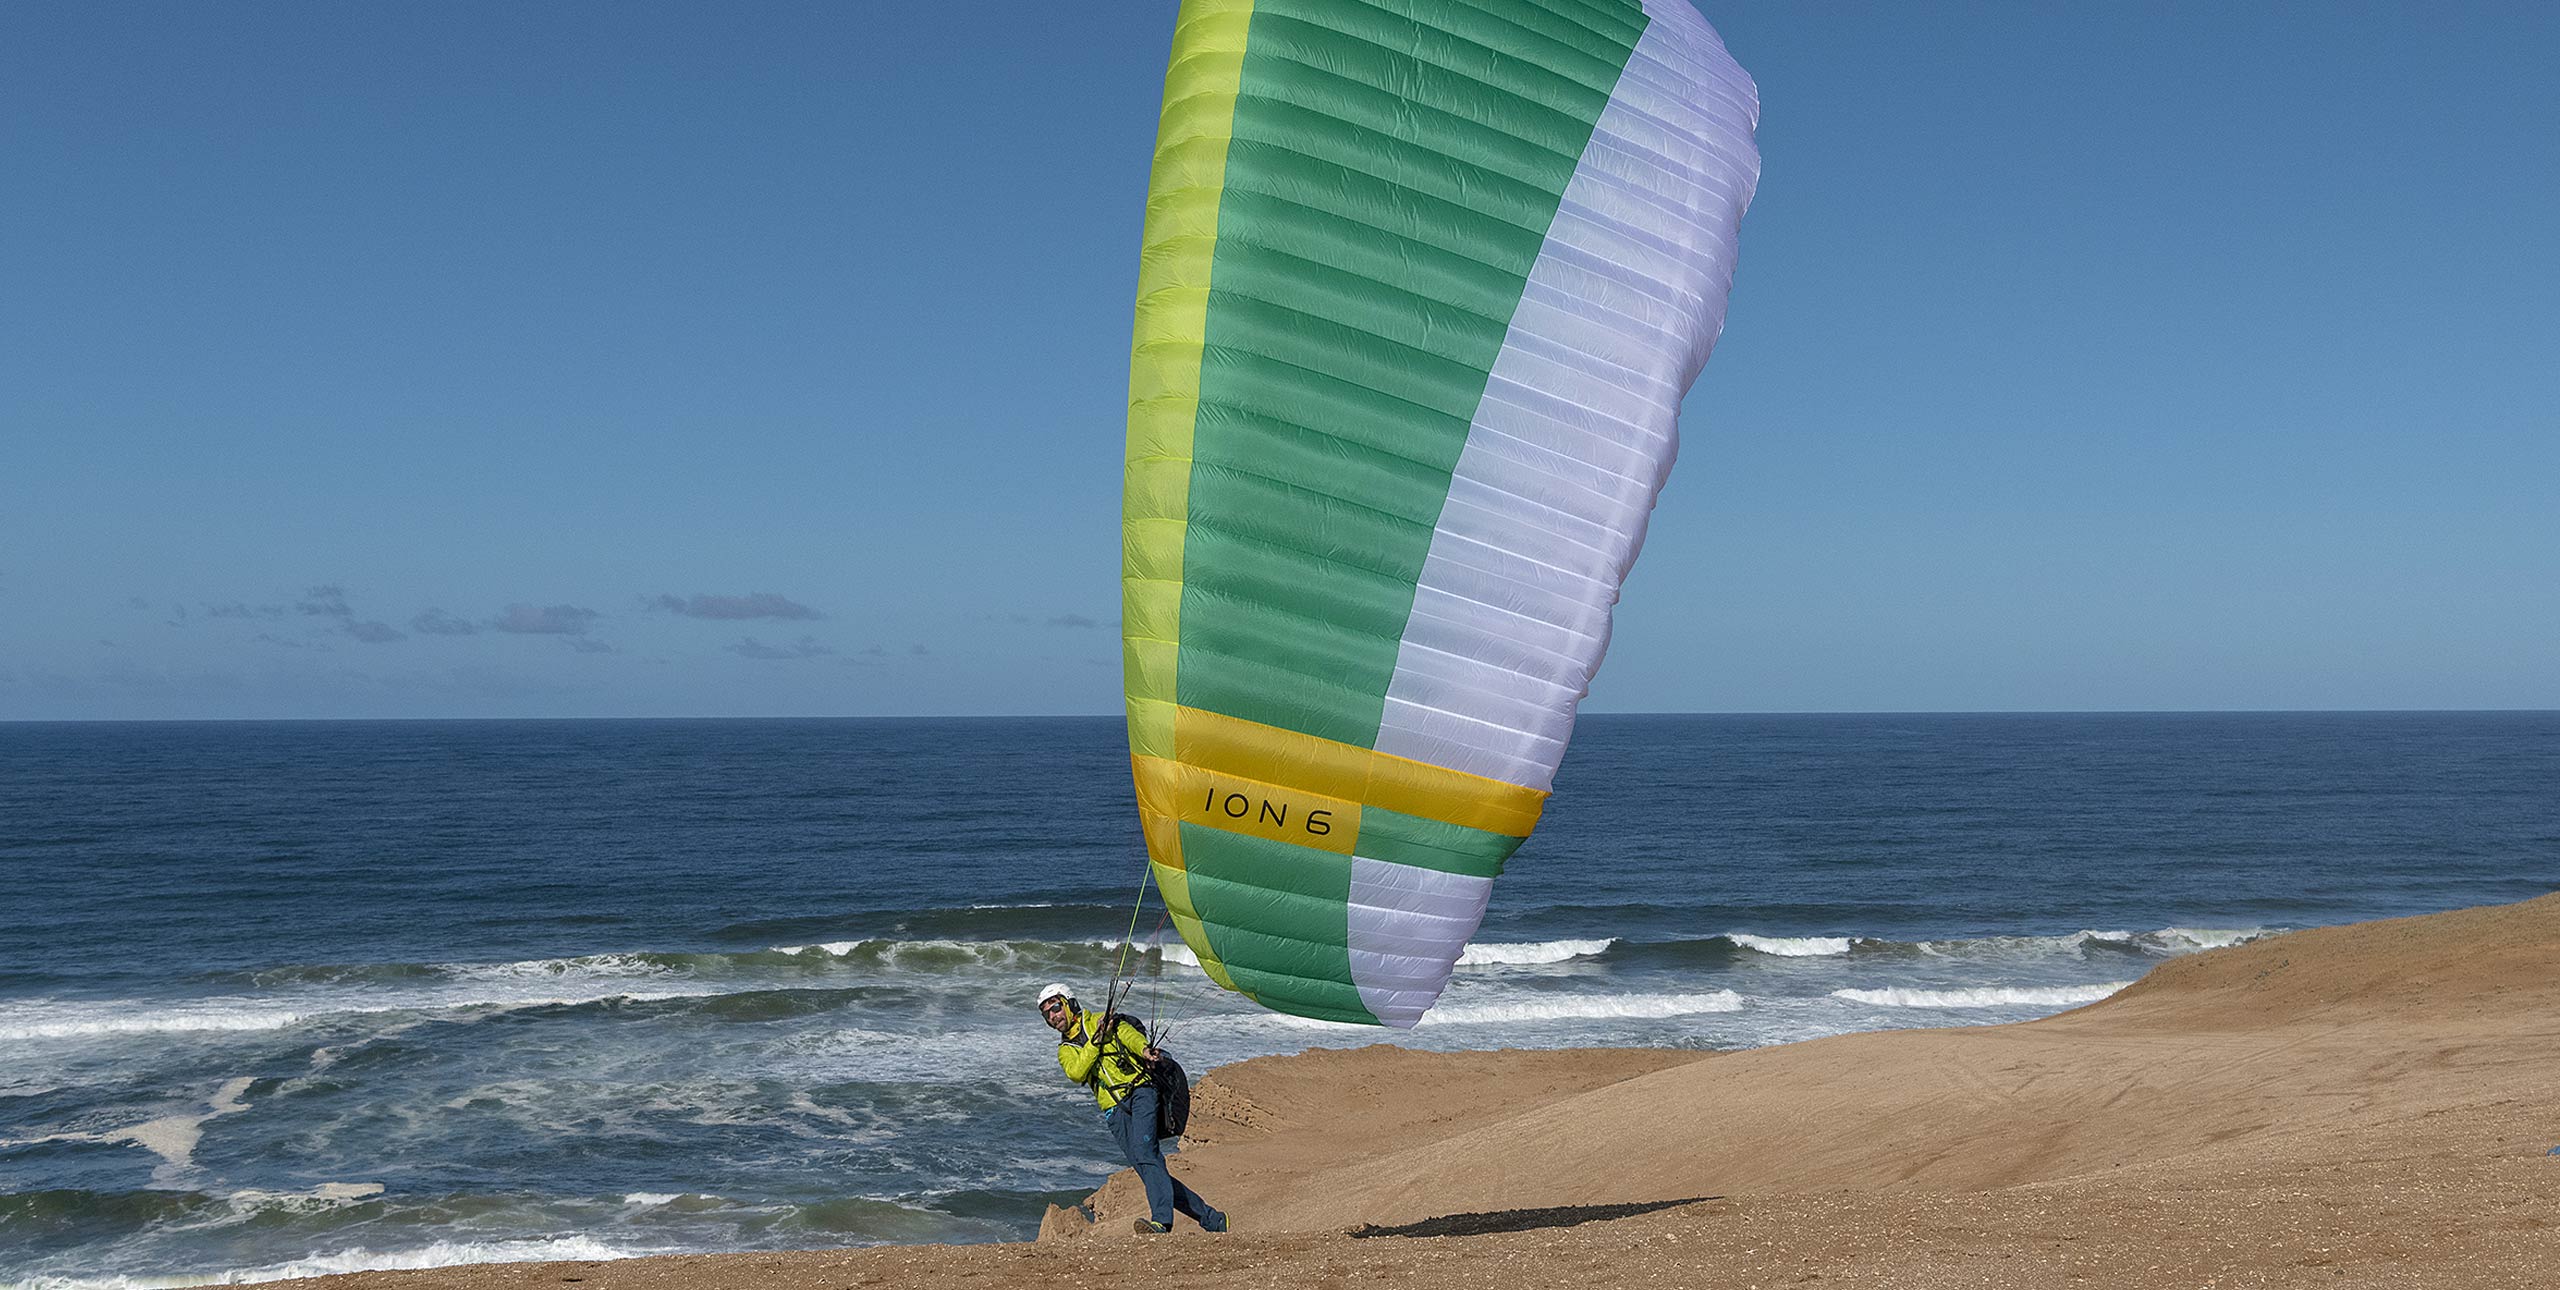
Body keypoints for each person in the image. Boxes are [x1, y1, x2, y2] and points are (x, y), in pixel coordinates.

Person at [1038, 981, 1226, 1235]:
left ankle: (1161, 1222)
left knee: (1147, 1154)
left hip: (1140, 1091)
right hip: (1114, 1111)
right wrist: (1096, 1042)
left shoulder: (1101, 1021)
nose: (1053, 1016)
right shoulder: (1065, 1050)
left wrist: (1144, 1050)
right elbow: (1077, 1071)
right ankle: (1212, 1219)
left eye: (1056, 1007)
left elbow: (1128, 1035)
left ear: (1070, 1004)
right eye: (1047, 1013)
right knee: (1149, 1169)